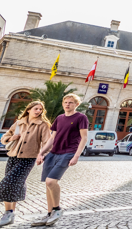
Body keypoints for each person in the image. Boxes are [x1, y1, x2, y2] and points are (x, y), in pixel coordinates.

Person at [0, 101, 51, 227]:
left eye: (41, 109)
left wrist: (42, 155)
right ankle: (10, 215)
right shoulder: (19, 122)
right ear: (28, 109)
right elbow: (5, 137)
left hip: (28, 159)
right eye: (36, 108)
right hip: (13, 157)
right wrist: (11, 138)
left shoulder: (43, 125)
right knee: (15, 184)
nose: (38, 111)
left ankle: (7, 214)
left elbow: (47, 142)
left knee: (8, 183)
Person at [32, 94, 88, 227]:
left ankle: (57, 209)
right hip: (53, 153)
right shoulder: (59, 118)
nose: (67, 104)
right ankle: (49, 213)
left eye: (71, 102)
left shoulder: (81, 117)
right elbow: (52, 138)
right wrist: (42, 152)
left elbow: (84, 138)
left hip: (68, 153)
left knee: (51, 181)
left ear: (76, 105)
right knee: (47, 184)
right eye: (66, 102)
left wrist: (76, 156)